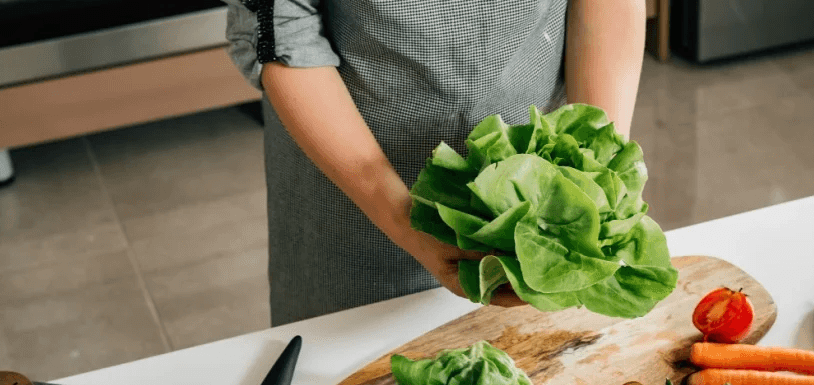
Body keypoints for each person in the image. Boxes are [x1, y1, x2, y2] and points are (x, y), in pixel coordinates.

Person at [225, 0, 646, 326]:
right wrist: (406, 221)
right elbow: (284, 30)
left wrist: (596, 174)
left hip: (540, 205)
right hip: (355, 206)